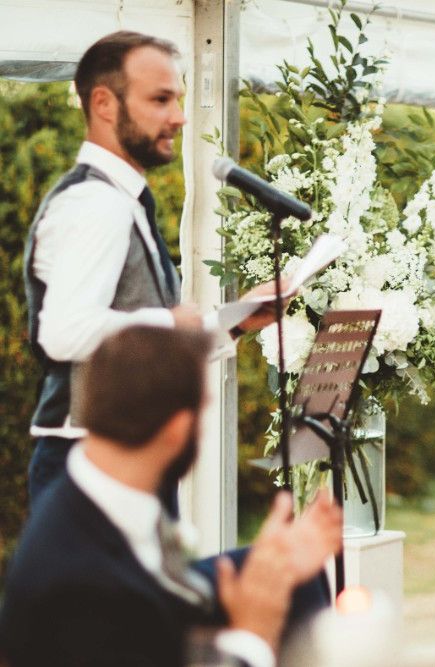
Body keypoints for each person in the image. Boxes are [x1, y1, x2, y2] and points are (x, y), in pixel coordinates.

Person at [23, 30, 275, 512]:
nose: (179, 116)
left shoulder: (120, 199)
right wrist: (168, 322)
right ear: (104, 103)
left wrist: (238, 321)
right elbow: (65, 331)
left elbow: (132, 331)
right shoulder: (96, 204)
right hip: (91, 463)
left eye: (177, 99)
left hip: (118, 457)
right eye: (160, 100)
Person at [0, 326, 342, 667]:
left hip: (145, 608)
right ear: (178, 429)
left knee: (296, 575)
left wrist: (274, 563)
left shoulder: (95, 487)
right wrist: (251, 636)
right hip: (127, 626)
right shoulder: (78, 588)